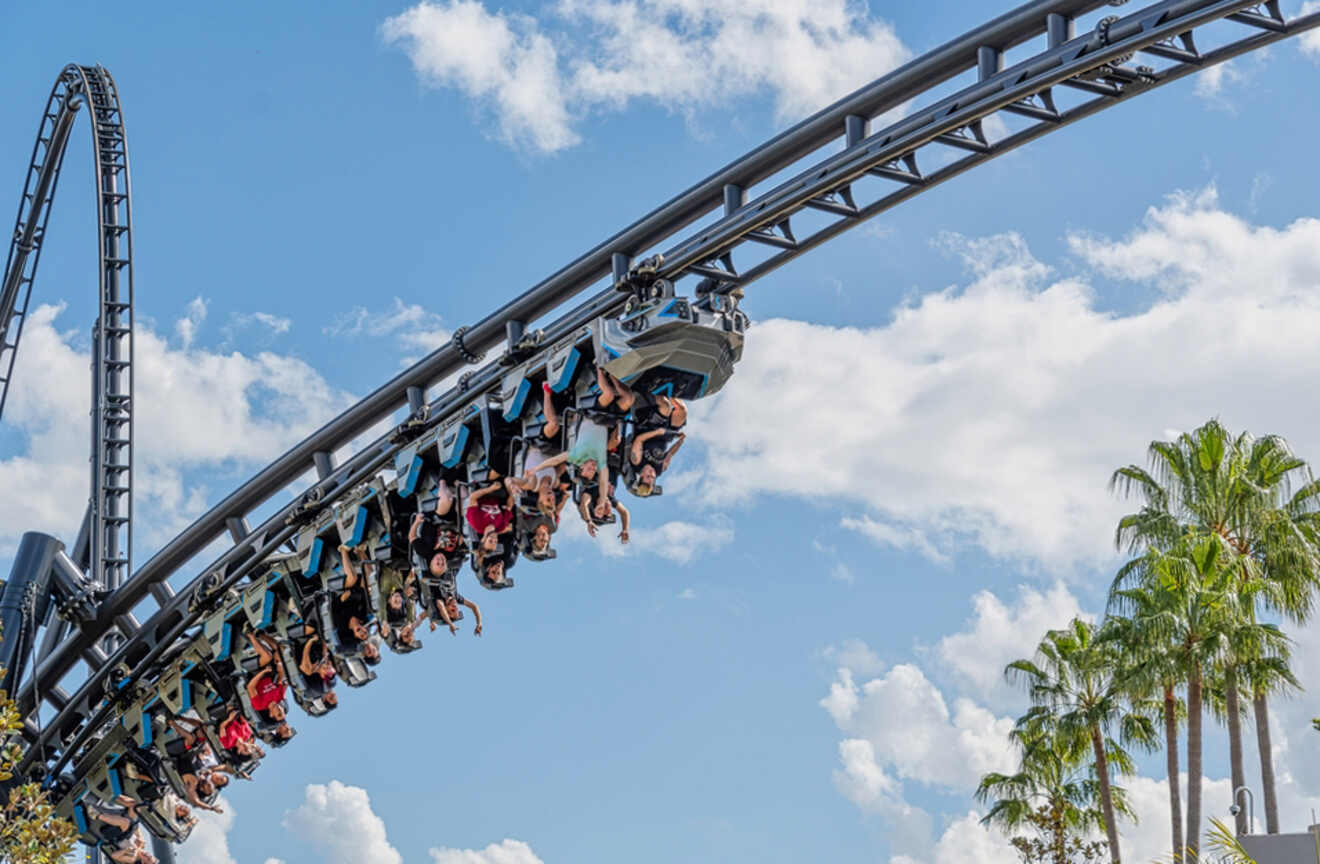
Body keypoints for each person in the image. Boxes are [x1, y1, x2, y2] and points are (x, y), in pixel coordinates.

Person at [334, 544, 382, 663]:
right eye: (365, 632)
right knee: (369, 580)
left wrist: (342, 598)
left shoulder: (344, 627)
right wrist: (368, 591)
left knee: (352, 578)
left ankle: (343, 550)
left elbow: (334, 610)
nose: (362, 631)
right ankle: (360, 551)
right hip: (356, 593)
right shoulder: (363, 617)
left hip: (341, 597)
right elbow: (365, 600)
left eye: (360, 634)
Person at [465, 478, 517, 585]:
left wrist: (490, 489)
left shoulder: (481, 559)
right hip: (500, 517)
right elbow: (512, 537)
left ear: (488, 569)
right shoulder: (509, 560)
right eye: (499, 572)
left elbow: (480, 540)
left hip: (483, 504)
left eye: (494, 571)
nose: (497, 569)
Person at [243, 629, 293, 739]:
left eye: (279, 713)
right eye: (282, 711)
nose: (281, 709)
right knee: (280, 652)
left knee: (267, 656)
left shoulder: (259, 705)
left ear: (271, 714)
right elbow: (280, 678)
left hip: (256, 674)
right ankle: (260, 633)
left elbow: (250, 687)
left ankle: (248, 633)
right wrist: (280, 665)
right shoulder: (279, 697)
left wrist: (263, 673)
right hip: (269, 672)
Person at [85, 797, 156, 864]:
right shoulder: (141, 845)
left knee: (125, 822)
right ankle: (112, 796)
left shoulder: (132, 858)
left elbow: (114, 856)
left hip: (115, 836)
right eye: (151, 856)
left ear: (143, 862)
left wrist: (126, 850)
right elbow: (135, 828)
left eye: (148, 859)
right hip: (127, 830)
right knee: (135, 806)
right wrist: (139, 836)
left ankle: (96, 815)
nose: (148, 855)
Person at [627, 428, 686, 497]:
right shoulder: (660, 469)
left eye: (648, 476)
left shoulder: (637, 462)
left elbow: (639, 439)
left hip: (649, 428)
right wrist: (680, 441)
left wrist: (657, 432)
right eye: (653, 477)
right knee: (680, 418)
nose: (652, 473)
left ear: (641, 475)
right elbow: (671, 453)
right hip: (665, 434)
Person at [295, 626, 339, 709]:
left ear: (324, 699)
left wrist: (310, 641)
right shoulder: (332, 682)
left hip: (302, 648)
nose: (333, 694)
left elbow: (305, 668)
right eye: (334, 696)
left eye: (331, 697)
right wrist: (323, 640)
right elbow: (326, 658)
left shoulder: (316, 688)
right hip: (316, 645)